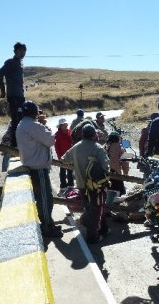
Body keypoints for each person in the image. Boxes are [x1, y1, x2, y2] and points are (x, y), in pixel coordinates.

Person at [15, 101, 62, 238]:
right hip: (38, 167)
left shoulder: (23, 124)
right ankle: (47, 227)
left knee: (43, 198)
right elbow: (50, 141)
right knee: (45, 199)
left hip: (33, 164)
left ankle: (48, 223)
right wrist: (45, 126)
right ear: (35, 112)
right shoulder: (33, 125)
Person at [63, 124, 110, 243]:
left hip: (81, 185)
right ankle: (92, 237)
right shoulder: (98, 148)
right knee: (96, 210)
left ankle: (103, 229)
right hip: (96, 187)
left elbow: (64, 159)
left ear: (82, 134)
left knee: (90, 209)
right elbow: (106, 167)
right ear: (94, 135)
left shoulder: (75, 147)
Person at [0, 42, 27, 148]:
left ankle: (18, 142)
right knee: (16, 120)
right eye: (20, 50)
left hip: (20, 96)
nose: (22, 53)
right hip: (13, 96)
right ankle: (14, 145)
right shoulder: (11, 62)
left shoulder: (19, 63)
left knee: (21, 119)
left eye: (24, 51)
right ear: (15, 51)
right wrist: (3, 91)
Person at [104, 131, 129, 196]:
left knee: (107, 191)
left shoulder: (105, 146)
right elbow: (124, 161)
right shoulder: (120, 147)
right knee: (121, 192)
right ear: (118, 138)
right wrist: (125, 172)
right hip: (116, 172)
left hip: (105, 172)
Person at [54, 118, 74, 189]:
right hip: (62, 156)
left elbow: (72, 143)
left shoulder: (69, 132)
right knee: (62, 171)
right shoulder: (57, 135)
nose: (66, 125)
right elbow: (56, 147)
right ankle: (63, 185)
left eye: (66, 124)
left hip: (70, 155)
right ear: (60, 126)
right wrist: (60, 157)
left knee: (70, 170)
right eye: (64, 124)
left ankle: (70, 184)